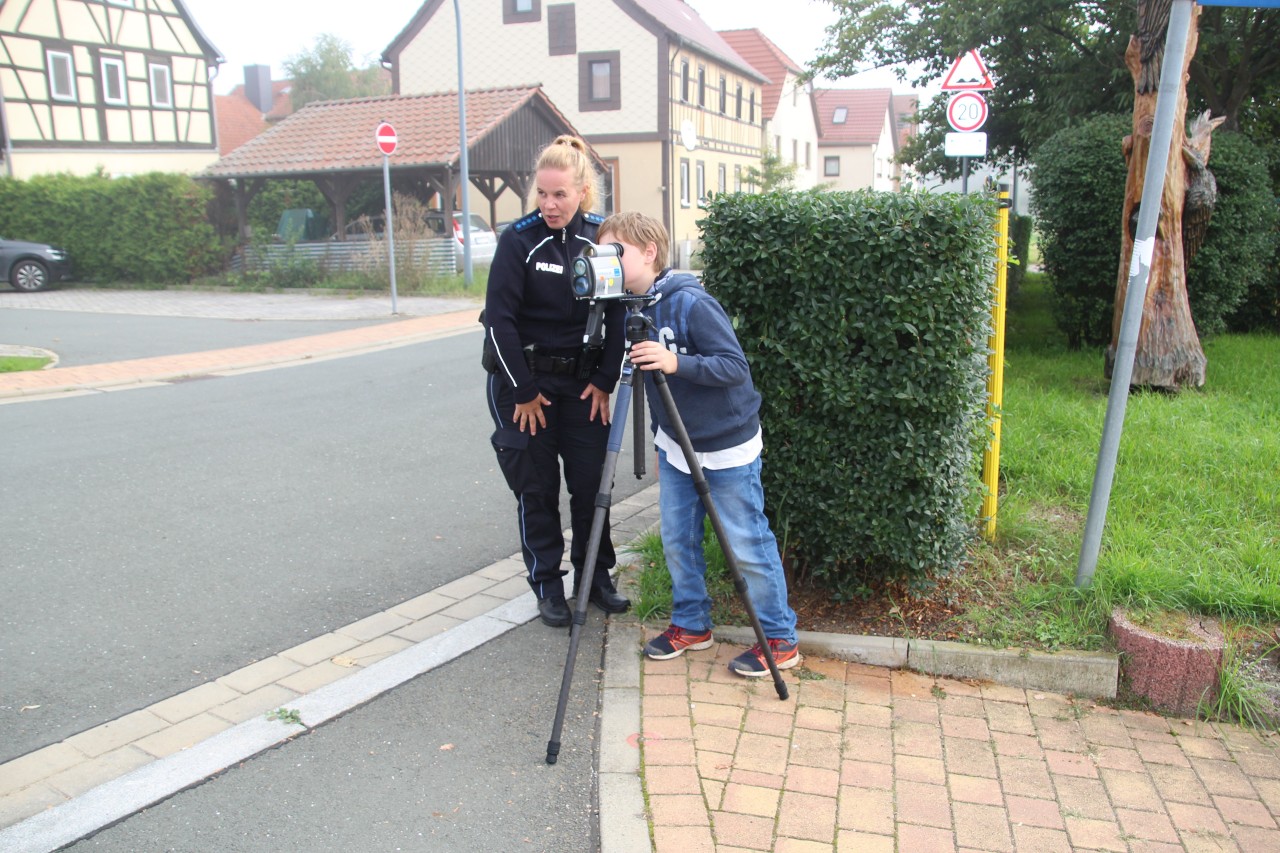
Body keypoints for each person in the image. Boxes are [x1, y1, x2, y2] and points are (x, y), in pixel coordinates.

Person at [595, 211, 800, 677]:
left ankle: (779, 638)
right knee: (676, 539)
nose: (608, 262)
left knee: (747, 543)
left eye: (616, 252)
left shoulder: (691, 302)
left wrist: (675, 363)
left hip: (725, 445)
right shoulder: (632, 308)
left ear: (648, 252)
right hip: (676, 446)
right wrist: (659, 435)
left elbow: (733, 366)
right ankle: (692, 624)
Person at [483, 135, 630, 627]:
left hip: (584, 386)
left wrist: (607, 378)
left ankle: (595, 576)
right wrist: (523, 390)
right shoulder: (518, 241)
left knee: (590, 487)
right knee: (538, 489)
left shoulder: (599, 240)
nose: (549, 204)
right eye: (542, 194)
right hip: (524, 386)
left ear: (582, 191)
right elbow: (499, 321)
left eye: (559, 194)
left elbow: (614, 316)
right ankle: (547, 585)